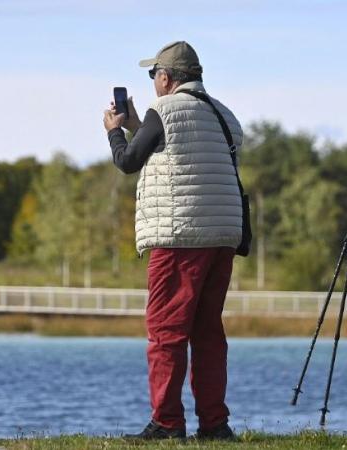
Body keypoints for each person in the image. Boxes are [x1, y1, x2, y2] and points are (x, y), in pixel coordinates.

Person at [102, 41, 243, 440]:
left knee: (166, 331)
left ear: (165, 77)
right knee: (208, 332)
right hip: (223, 234)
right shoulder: (223, 114)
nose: (153, 84)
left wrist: (116, 132)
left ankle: (166, 422)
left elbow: (129, 161)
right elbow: (182, 150)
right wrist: (138, 125)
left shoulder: (163, 110)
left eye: (154, 76)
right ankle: (214, 423)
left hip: (179, 235)